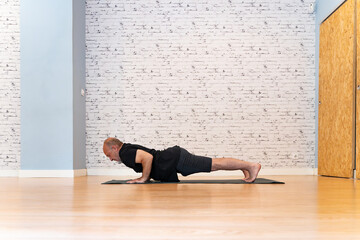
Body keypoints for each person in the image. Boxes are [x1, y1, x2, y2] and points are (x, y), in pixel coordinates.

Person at [103, 137, 261, 184]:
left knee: (214, 164)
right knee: (214, 164)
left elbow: (147, 157)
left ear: (115, 148)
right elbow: (147, 157)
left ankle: (251, 166)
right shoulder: (126, 149)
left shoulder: (125, 153)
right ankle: (245, 167)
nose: (110, 159)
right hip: (174, 159)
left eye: (108, 155)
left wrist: (143, 178)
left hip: (175, 160)